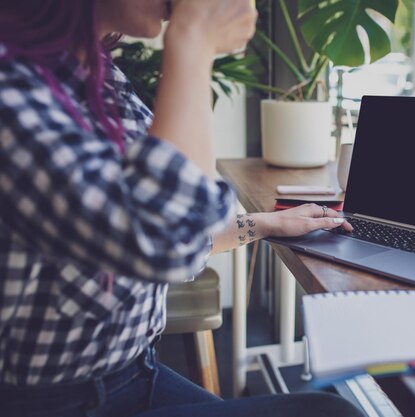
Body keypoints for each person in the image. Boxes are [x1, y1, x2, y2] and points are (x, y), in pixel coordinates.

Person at [0, 1, 360, 416]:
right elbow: (162, 240)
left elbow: (158, 220)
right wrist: (193, 41)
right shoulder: (13, 85)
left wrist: (265, 223)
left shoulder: (91, 69)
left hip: (132, 372)